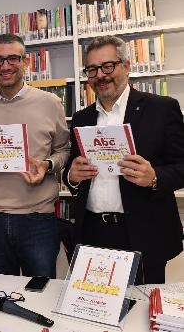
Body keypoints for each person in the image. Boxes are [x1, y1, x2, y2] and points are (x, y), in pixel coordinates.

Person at [62, 35, 184, 284]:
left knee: (141, 313)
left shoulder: (161, 108)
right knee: (95, 307)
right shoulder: (81, 118)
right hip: (93, 232)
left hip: (144, 231)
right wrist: (72, 176)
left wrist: (154, 178)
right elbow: (70, 171)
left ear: (126, 66)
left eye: (108, 66)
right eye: (92, 69)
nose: (101, 75)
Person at [0, 34, 70, 277]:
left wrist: (47, 164)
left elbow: (64, 150)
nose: (5, 66)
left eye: (13, 58)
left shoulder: (50, 102)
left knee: (40, 290)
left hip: (37, 218)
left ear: (26, 62)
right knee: (1, 293)